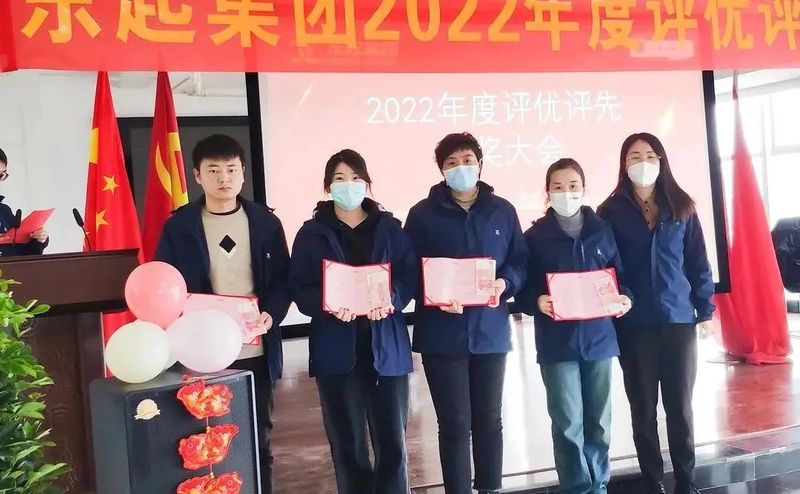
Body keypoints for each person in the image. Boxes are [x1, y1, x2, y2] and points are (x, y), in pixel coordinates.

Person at [155, 134, 290, 494]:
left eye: (231, 169)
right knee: (204, 439)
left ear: (243, 173)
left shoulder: (265, 223)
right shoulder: (179, 226)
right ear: (197, 176)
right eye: (213, 170)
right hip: (200, 352)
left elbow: (282, 280)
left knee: (257, 436)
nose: (224, 178)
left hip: (254, 347)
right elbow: (165, 282)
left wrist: (271, 315)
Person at [404, 132, 528, 494]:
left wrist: (505, 283)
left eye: (468, 160)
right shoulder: (421, 215)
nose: (461, 168)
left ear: (480, 164)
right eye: (452, 163)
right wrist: (433, 294)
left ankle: (490, 489)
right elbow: (408, 269)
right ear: (442, 170)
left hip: (490, 331)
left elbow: (520, 260)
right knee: (455, 423)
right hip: (442, 333)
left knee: (489, 420)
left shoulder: (502, 210)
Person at [289, 149, 416, 494]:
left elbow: (408, 276)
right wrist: (328, 304)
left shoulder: (389, 228)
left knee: (393, 445)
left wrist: (392, 300)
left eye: (355, 178)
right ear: (328, 186)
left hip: (386, 349)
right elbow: (300, 288)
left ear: (367, 183)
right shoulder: (312, 233)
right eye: (340, 179)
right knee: (348, 447)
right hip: (336, 351)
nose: (349, 185)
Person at [598, 133, 715, 494]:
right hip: (634, 323)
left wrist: (705, 309)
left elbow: (697, 261)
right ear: (624, 164)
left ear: (662, 160)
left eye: (650, 155)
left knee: (680, 407)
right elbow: (608, 267)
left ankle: (686, 482)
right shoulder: (609, 211)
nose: (643, 163)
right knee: (643, 408)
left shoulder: (682, 206)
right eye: (634, 157)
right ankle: (653, 482)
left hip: (678, 319)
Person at [517, 158, 632, 494]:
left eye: (572, 186)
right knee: (568, 425)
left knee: (600, 423)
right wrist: (537, 300)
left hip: (599, 340)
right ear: (547, 192)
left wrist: (625, 297)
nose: (566, 193)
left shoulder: (602, 230)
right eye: (558, 187)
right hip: (557, 343)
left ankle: (599, 486)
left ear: (583, 189)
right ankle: (577, 489)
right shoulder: (535, 236)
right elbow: (523, 287)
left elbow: (620, 278)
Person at [0, 147, 48, 256]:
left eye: (2, 174)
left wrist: (38, 239)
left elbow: (21, 251)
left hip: (13, 267)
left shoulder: (3, 211)